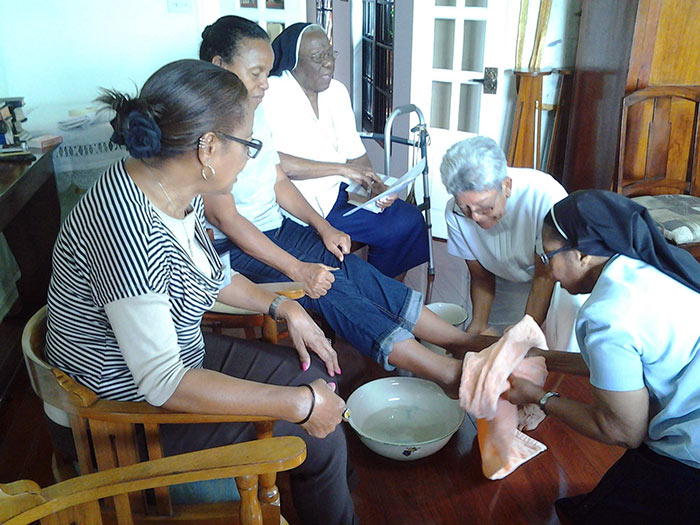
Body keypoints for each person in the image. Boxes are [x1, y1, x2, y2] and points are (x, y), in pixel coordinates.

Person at [45, 59, 358, 524]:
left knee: (317, 378)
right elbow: (163, 383)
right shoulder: (128, 230)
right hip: (119, 417)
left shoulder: (168, 189)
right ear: (208, 147)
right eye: (249, 144)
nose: (251, 157)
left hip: (172, 361)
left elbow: (211, 276)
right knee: (314, 428)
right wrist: (298, 405)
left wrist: (282, 307)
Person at [197, 15, 477, 393]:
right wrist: (299, 268)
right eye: (256, 73)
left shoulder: (252, 111)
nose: (265, 83)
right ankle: (446, 372)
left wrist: (323, 226)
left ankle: (461, 342)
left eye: (267, 72)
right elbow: (225, 219)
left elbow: (277, 179)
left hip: (273, 227)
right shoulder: (205, 127)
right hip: (229, 246)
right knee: (328, 285)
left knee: (350, 267)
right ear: (219, 65)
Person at [506, 190, 700, 523]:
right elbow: (626, 367)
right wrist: (543, 358)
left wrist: (538, 396)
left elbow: (623, 431)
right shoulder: (648, 265)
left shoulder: (607, 315)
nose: (545, 268)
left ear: (582, 254)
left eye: (547, 255)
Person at [260, 22, 429, 279]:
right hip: (300, 205)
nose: (328, 63)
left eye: (330, 54)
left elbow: (356, 153)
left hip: (342, 194)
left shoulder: (337, 92)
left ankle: (385, 290)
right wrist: (341, 169)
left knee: (409, 220)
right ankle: (376, 291)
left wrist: (375, 186)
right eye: (318, 57)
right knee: (393, 227)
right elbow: (273, 163)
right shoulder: (271, 95)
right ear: (294, 62)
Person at [440, 136, 585, 350]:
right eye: (466, 209)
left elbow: (544, 277)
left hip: (556, 282)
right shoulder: (454, 213)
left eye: (485, 207)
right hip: (503, 280)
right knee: (492, 342)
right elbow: (480, 276)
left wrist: (523, 335)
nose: (475, 217)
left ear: (506, 186)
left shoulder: (544, 197)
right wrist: (479, 324)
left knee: (548, 348)